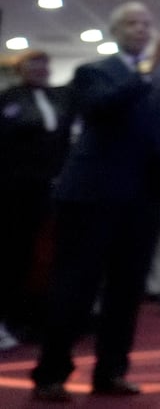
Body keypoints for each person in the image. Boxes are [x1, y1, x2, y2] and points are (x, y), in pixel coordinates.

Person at [30, 4, 160, 402]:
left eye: (147, 22)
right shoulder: (94, 72)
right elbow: (104, 105)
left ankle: (111, 372)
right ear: (116, 31)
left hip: (142, 197)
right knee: (75, 287)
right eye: (132, 23)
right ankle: (51, 374)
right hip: (92, 196)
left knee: (126, 292)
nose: (142, 29)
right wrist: (152, 64)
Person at [0, 50, 74, 350]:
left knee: (42, 258)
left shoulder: (60, 99)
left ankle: (32, 319)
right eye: (33, 63)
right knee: (12, 256)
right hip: (14, 193)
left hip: (52, 191)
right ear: (21, 69)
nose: (41, 69)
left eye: (45, 63)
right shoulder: (8, 99)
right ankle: (6, 319)